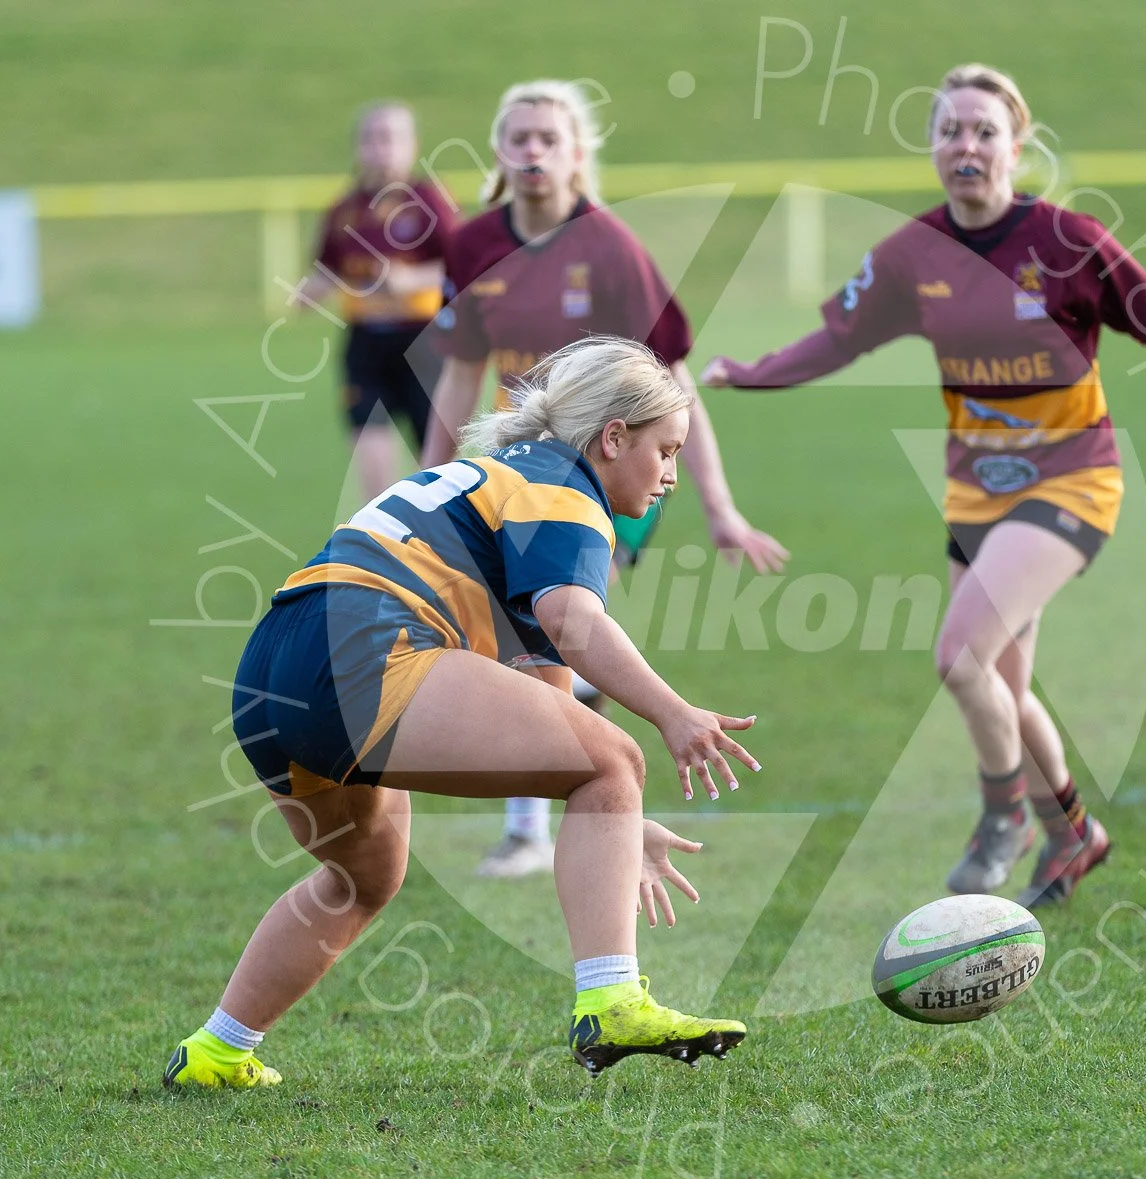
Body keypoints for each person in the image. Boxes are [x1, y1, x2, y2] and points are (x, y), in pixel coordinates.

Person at [702, 64, 1146, 910]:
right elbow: (838, 337)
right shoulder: (912, 254)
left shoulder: (1071, 242)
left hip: (1073, 482)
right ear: (933, 148)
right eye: (950, 130)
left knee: (958, 656)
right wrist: (752, 374)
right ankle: (1074, 834)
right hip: (974, 493)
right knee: (1004, 692)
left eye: (984, 130)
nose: (966, 145)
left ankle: (1002, 819)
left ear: (1016, 146)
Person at [164, 338, 759, 1089]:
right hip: (365, 647)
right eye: (665, 450)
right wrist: (672, 715)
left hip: (274, 667)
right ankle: (611, 1000)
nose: (672, 473)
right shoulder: (565, 487)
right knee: (617, 755)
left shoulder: (504, 478)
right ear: (613, 438)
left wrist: (612, 817)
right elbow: (574, 622)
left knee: (364, 878)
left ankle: (216, 1051)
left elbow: (550, 702)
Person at [421, 79, 788, 879]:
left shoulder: (614, 250)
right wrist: (427, 482)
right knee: (532, 636)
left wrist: (719, 506)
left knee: (552, 627)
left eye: (549, 139)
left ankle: (553, 813)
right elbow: (458, 379)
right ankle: (568, 794)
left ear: (579, 154)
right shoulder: (474, 245)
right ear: (498, 151)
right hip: (510, 477)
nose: (533, 153)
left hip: (609, 478)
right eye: (518, 138)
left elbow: (676, 389)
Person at [293, 103, 458, 501]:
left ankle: (447, 552)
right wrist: (309, 291)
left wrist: (410, 280)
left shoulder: (430, 202)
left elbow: (463, 270)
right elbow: (329, 269)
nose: (379, 148)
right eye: (370, 138)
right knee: (372, 462)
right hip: (365, 342)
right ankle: (387, 549)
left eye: (390, 138)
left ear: (411, 145)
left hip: (423, 341)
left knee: (438, 470)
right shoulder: (343, 209)